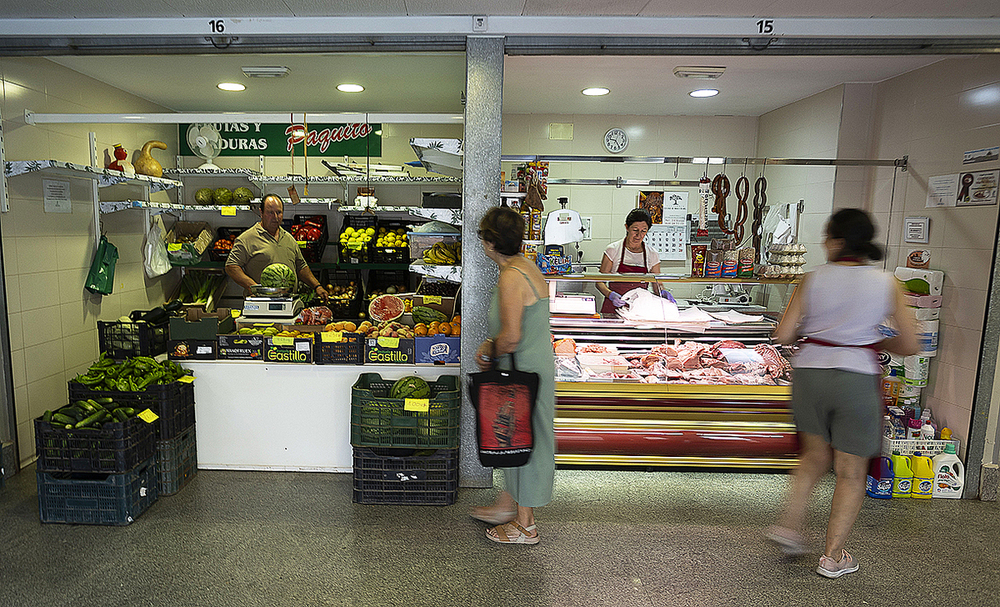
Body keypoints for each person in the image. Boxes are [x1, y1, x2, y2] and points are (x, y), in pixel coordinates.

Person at [766, 208, 918, 578]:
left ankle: (789, 528)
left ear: (837, 241)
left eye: (826, 237)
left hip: (810, 375)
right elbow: (911, 343)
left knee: (814, 456)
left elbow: (783, 335)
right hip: (856, 378)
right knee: (850, 470)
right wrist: (870, 337)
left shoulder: (811, 279)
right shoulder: (887, 283)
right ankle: (833, 557)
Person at [471, 206, 556, 545]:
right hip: (533, 369)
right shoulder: (527, 266)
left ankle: (525, 526)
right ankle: (509, 504)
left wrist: (488, 349)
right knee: (517, 439)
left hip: (522, 373)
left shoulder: (510, 277)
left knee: (523, 443)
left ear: (491, 242)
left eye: (483, 238)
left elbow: (511, 337)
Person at [225, 194, 329, 302]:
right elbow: (231, 266)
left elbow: (301, 266)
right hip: (262, 304)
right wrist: (254, 288)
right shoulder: (247, 238)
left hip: (289, 302)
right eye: (270, 212)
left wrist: (317, 286)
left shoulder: (289, 238)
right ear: (261, 213)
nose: (275, 217)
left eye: (279, 212)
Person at [596, 208, 670, 314]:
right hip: (613, 309)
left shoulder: (652, 254)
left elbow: (657, 284)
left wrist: (663, 292)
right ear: (627, 227)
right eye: (635, 230)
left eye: (644, 231)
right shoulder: (613, 250)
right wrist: (610, 295)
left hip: (639, 310)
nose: (639, 235)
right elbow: (599, 282)